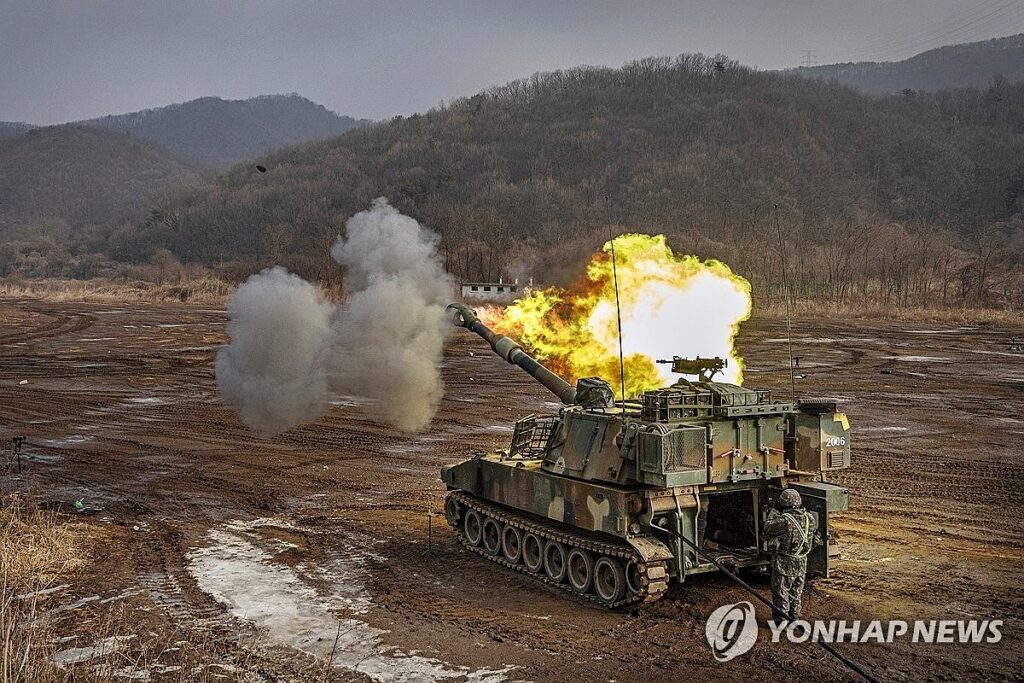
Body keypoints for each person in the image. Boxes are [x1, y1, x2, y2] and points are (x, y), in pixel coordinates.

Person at [763, 488, 817, 622]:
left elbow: (768, 527)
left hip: (784, 563)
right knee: (796, 592)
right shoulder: (810, 518)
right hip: (801, 562)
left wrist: (773, 512)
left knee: (781, 592)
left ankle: (781, 620)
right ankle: (795, 617)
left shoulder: (785, 520)